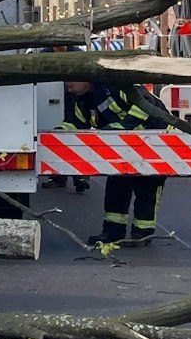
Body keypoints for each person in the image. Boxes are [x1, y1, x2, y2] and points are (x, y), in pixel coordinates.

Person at [61, 78, 169, 246]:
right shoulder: (83, 99)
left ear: (84, 78)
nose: (69, 90)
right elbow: (76, 123)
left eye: (71, 85)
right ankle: (112, 233)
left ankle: (142, 235)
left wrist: (123, 127)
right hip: (123, 146)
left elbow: (145, 103)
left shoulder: (117, 85)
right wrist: (59, 132)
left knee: (147, 187)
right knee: (116, 186)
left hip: (154, 141)